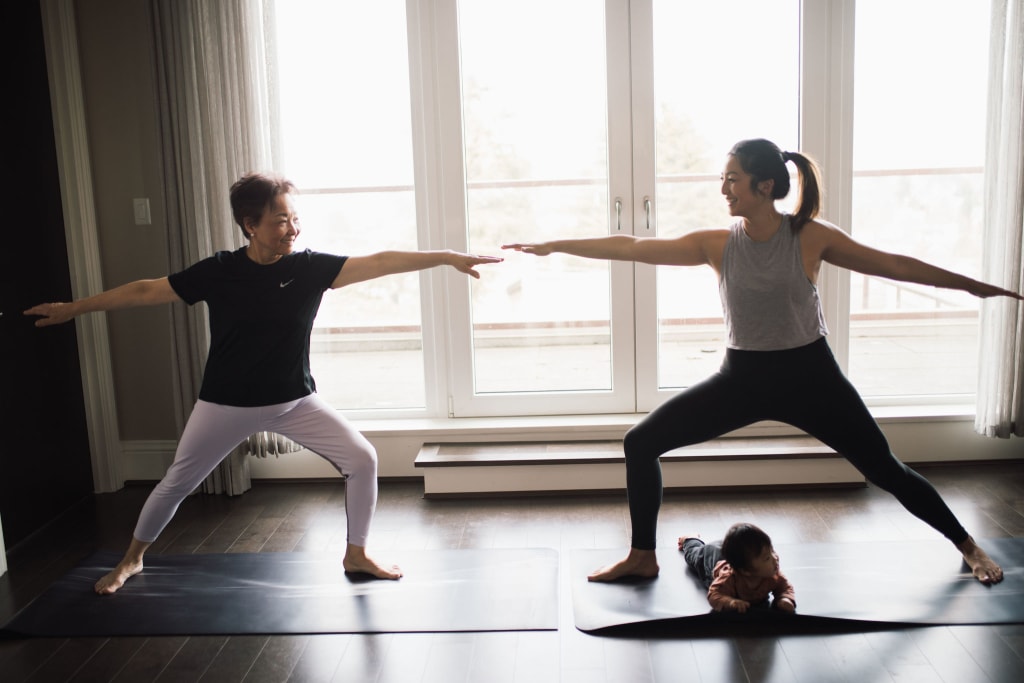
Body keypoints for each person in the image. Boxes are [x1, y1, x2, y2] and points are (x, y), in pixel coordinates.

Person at [503, 138, 1023, 586]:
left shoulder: (810, 236)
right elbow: (634, 245)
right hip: (743, 377)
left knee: (884, 468)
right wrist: (556, 246)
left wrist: (974, 287)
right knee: (641, 442)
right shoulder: (715, 244)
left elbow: (893, 264)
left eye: (733, 179)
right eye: (722, 179)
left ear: (766, 186)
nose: (724, 188)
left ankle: (967, 545)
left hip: (811, 377)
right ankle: (642, 557)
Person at [25, 172, 502, 594]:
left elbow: (379, 261)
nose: (292, 229)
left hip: (294, 400)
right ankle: (132, 558)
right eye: (280, 221)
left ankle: (356, 553)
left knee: (362, 457)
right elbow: (148, 290)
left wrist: (446, 257)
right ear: (250, 225)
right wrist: (74, 308)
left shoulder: (310, 268)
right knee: (177, 482)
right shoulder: (221, 271)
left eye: (294, 219)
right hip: (225, 404)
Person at [679, 524, 795, 614]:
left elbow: (785, 588)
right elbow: (714, 595)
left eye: (773, 551)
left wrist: (785, 598)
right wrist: (730, 602)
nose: (775, 558)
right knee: (694, 556)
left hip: (735, 557)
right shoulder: (729, 579)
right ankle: (690, 539)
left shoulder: (774, 575)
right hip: (712, 559)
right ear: (746, 571)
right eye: (767, 558)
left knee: (737, 551)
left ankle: (728, 546)